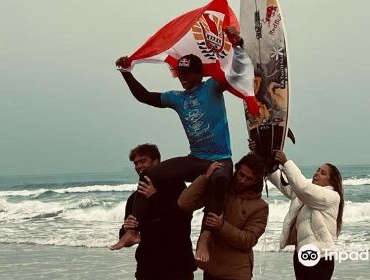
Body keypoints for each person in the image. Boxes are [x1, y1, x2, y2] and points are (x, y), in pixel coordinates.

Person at [113, 27, 254, 262]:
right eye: (180, 73)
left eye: (188, 73)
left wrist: (237, 44)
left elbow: (238, 72)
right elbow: (145, 96)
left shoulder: (212, 87)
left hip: (220, 158)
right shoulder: (176, 98)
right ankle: (132, 231)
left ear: (200, 74)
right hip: (195, 158)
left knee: (219, 180)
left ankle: (205, 239)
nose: (183, 77)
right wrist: (126, 72)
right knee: (148, 175)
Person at [112, 143, 197, 280]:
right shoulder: (134, 199)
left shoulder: (176, 186)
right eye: (136, 163)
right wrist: (126, 228)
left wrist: (154, 197)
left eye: (143, 161)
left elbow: (182, 219)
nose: (138, 166)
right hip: (148, 267)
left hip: (177, 265)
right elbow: (129, 237)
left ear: (156, 162)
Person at [178, 154, 269, 280]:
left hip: (237, 272)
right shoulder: (219, 189)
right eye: (241, 175)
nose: (242, 180)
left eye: (249, 179)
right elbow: (184, 203)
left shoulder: (260, 207)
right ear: (236, 170)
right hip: (211, 267)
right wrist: (205, 177)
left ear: (256, 181)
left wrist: (222, 226)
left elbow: (249, 240)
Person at [267, 149, 344, 280]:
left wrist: (286, 163)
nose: (317, 173)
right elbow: (284, 183)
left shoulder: (331, 196)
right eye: (318, 170)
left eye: (323, 173)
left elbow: (304, 189)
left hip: (320, 256)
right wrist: (265, 159)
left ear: (331, 182)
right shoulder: (303, 194)